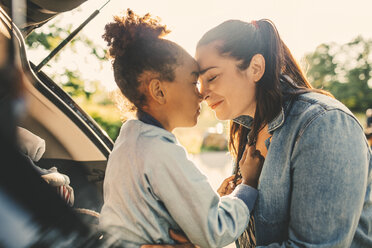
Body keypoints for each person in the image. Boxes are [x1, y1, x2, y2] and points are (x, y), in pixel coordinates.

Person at [144, 19, 372, 247]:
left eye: (211, 77)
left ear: (255, 68)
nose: (202, 93)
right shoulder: (247, 129)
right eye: (198, 81)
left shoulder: (324, 124)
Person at [98, 10, 265, 248]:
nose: (201, 94)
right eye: (192, 82)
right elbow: (216, 231)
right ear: (159, 91)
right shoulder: (160, 152)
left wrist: (211, 202)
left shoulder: (130, 141)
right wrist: (247, 185)